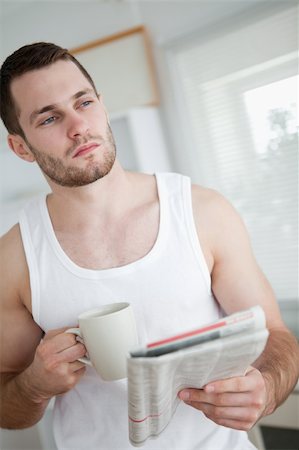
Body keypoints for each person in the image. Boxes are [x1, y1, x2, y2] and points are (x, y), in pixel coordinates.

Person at [0, 42, 298, 450]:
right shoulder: (13, 259)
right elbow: (6, 406)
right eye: (49, 117)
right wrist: (34, 385)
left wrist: (265, 387)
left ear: (102, 106)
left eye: (83, 102)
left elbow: (276, 335)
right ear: (20, 147)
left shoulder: (203, 211)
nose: (78, 127)